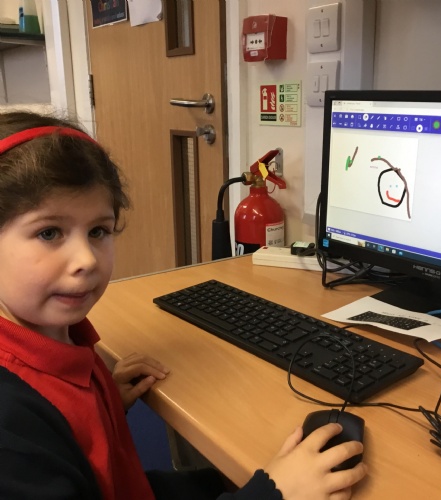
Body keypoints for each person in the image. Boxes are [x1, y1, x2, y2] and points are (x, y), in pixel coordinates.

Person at [0, 110, 367, 500]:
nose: (87, 259)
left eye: (98, 231)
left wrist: (100, 408)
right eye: (49, 233)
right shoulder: (11, 425)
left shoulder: (60, 338)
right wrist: (273, 495)